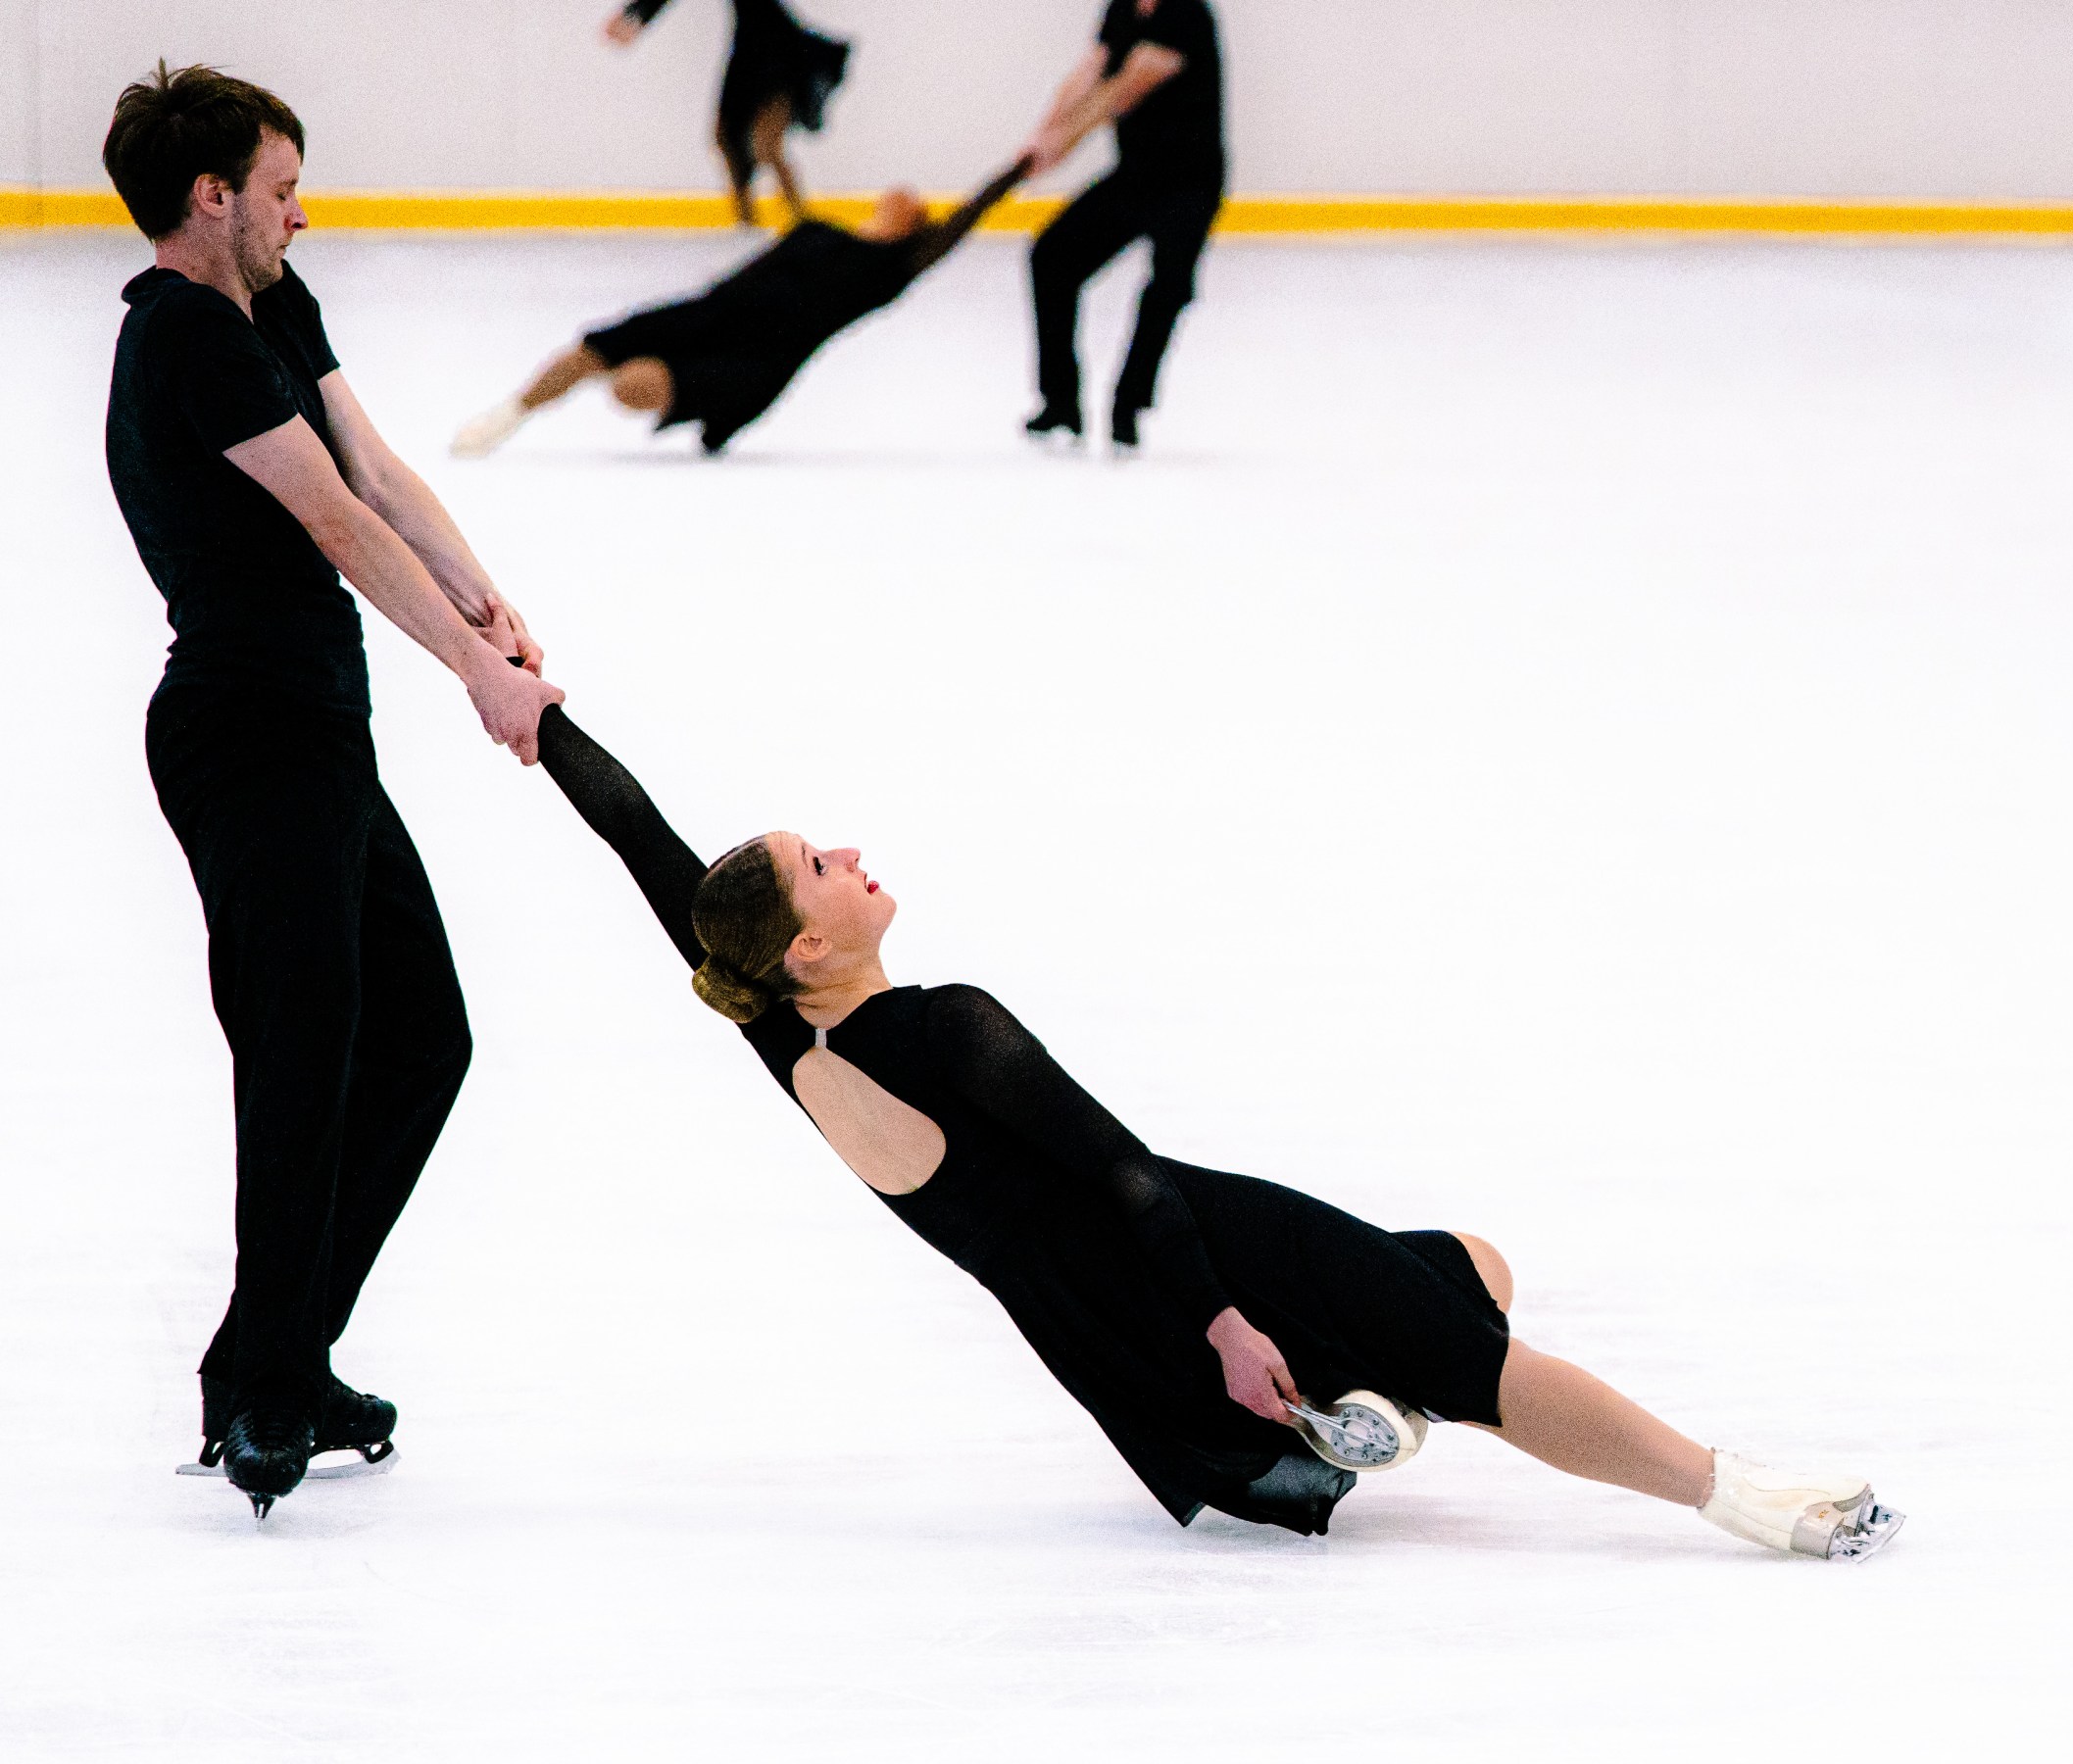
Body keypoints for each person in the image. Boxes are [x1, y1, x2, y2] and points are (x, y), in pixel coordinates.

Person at [529, 705, 1903, 1556]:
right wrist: (1230, 1320)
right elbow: (1126, 1175)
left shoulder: (789, 1039)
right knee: (1481, 1354)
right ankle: (1735, 1494)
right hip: (1205, 1255)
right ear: (815, 936)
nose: (847, 849)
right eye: (822, 863)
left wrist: (537, 723)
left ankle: (1361, 1402)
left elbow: (648, 850)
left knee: (1463, 1259)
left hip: (1114, 1345)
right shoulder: (946, 1028)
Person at [101, 65, 565, 1518]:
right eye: (280, 189)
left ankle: (277, 1354)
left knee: (419, 1038)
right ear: (208, 195)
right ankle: (264, 1379)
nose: (301, 212)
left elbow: (375, 466)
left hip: (317, 731)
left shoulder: (271, 306)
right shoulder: (185, 339)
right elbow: (330, 518)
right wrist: (473, 680)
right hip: (246, 737)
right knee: (302, 1062)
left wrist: (481, 598)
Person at [453, 159, 1029, 459]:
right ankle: (507, 415)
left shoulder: (891, 270)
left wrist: (1018, 170)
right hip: (711, 312)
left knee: (630, 381)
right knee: (592, 348)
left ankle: (699, 410)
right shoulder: (819, 227)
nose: (903, 193)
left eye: (915, 202)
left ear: (914, 225)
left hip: (757, 360)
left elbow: (964, 220)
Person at [1020, 0, 1227, 453]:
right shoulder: (1121, 10)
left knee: (1168, 287)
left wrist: (1062, 143)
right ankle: (1060, 404)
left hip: (1191, 182)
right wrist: (1043, 133)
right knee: (1051, 258)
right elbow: (1089, 74)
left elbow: (1126, 87)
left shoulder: (1186, 13)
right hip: (1138, 176)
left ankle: (1127, 407)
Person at [604, 0, 851, 225]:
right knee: (725, 137)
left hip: (779, 51)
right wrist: (636, 14)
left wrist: (637, 15)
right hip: (749, 51)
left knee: (766, 145)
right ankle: (746, 222)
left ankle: (803, 222)